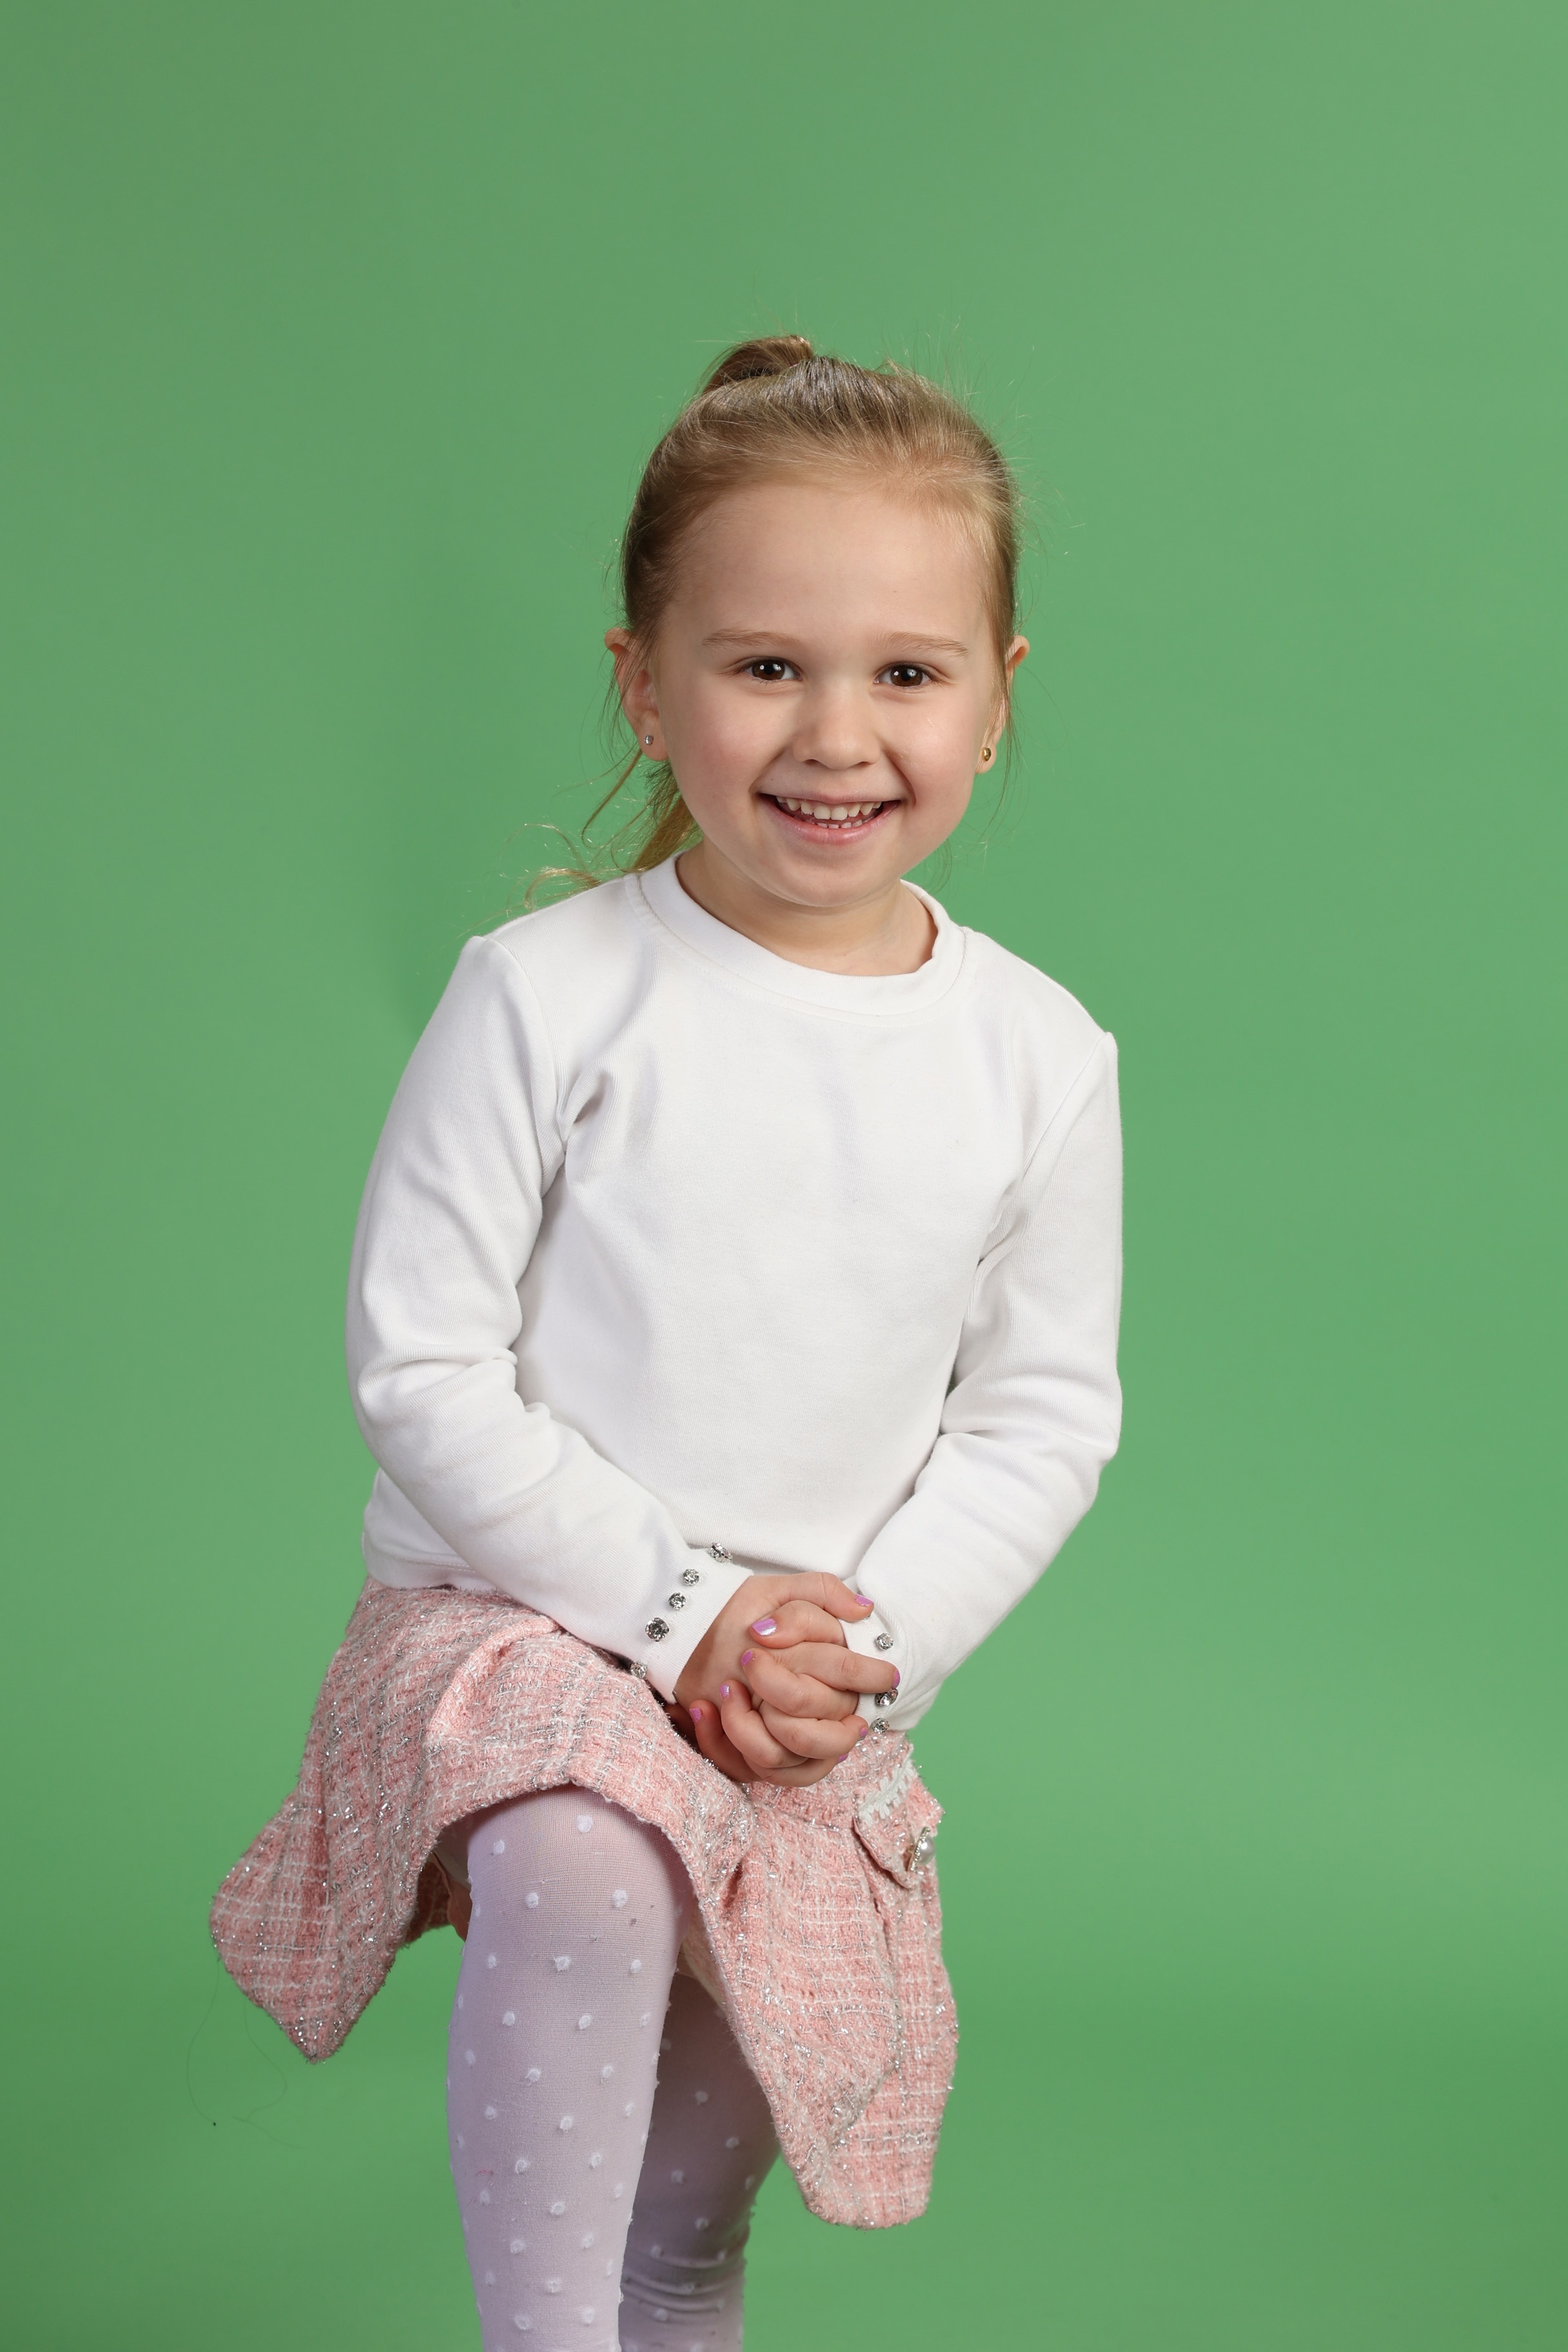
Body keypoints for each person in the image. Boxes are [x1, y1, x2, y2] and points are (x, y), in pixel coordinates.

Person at [213, 336, 1123, 2351]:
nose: (837, 734)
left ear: (997, 697)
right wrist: (681, 1607)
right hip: (521, 1617)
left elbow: (1041, 1417)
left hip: (803, 1683)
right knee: (587, 1855)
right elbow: (423, 1364)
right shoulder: (546, 994)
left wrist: (855, 1651)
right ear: (644, 683)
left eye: (907, 672)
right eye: (765, 664)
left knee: (690, 2214)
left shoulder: (1039, 1057)